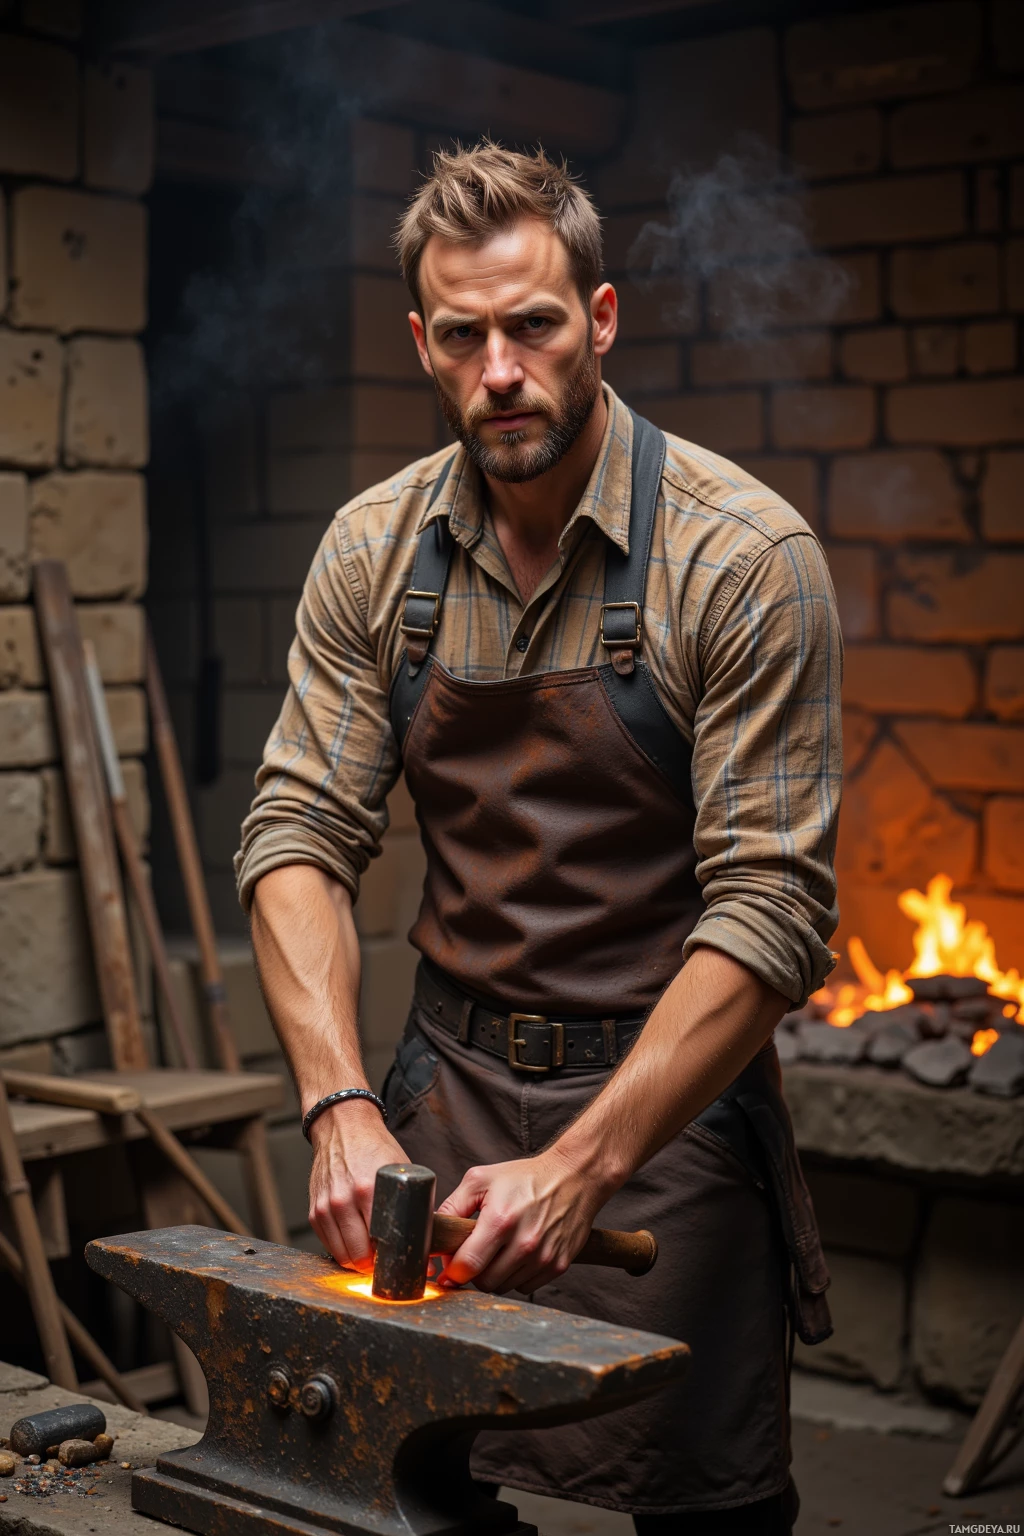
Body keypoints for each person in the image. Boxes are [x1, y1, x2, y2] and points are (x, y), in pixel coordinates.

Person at [237, 142, 842, 1533]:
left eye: (535, 325)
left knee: (707, 1505)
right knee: (397, 1492)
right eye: (463, 336)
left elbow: (770, 910)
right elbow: (297, 830)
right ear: (422, 344)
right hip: (439, 1103)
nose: (500, 370)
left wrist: (584, 1165)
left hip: (666, 1115)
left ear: (602, 319)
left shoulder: (745, 559)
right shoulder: (372, 550)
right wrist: (339, 1108)